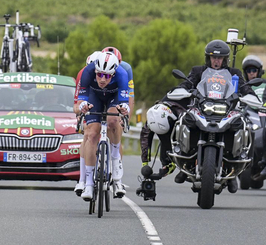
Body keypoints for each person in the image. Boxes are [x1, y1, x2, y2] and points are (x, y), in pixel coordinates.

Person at [75, 51, 131, 200]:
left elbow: (125, 103)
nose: (102, 79)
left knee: (113, 121)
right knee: (92, 133)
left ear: (113, 74)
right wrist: (82, 107)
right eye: (99, 74)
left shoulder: (122, 74)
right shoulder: (86, 72)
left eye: (106, 76)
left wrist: (125, 110)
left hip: (113, 98)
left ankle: (115, 162)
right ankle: (88, 184)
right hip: (94, 97)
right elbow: (77, 104)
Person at [139, 98, 184, 175]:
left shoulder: (181, 113)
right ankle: (167, 162)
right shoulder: (152, 118)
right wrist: (145, 163)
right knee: (164, 139)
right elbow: (145, 137)